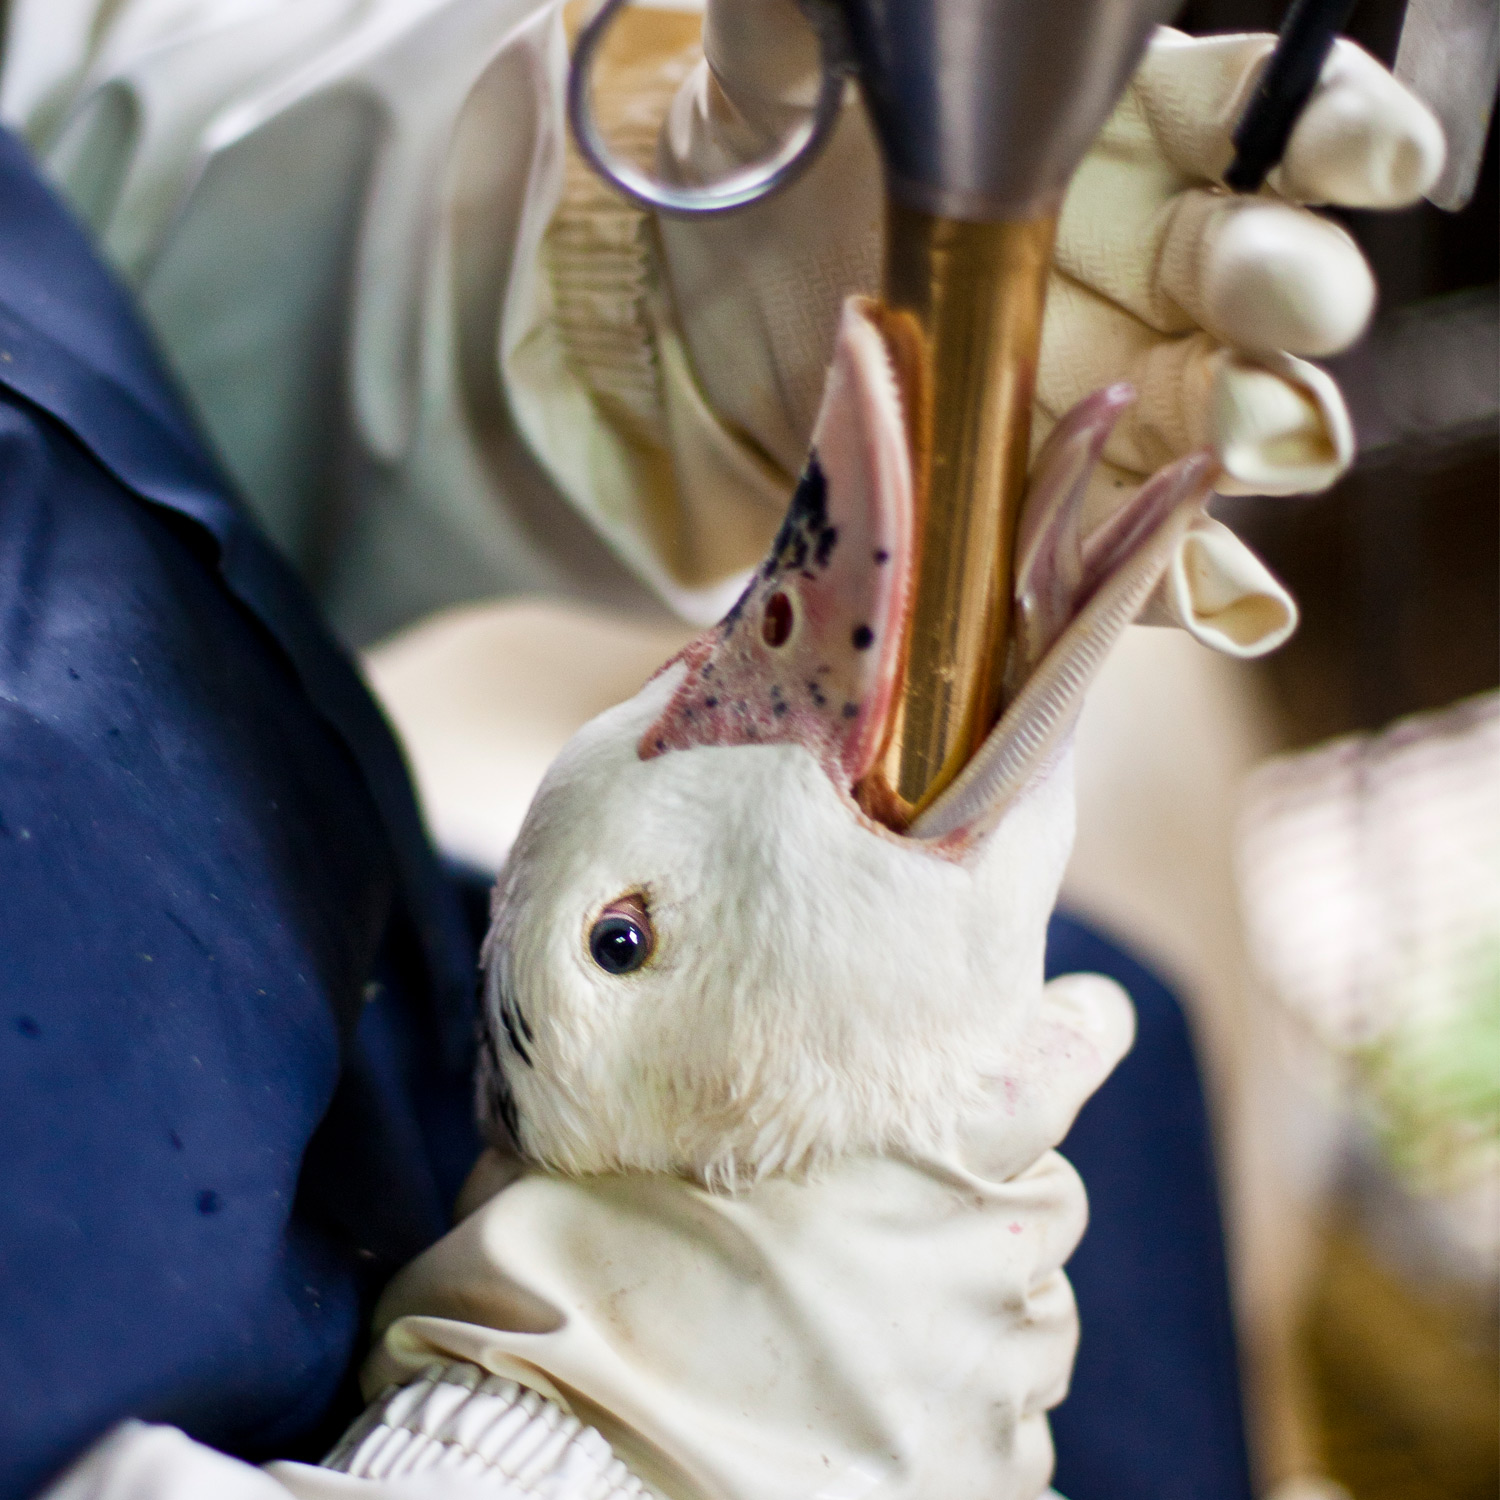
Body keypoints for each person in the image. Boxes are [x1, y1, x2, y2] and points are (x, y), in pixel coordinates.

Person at [0, 2, 1443, 1494]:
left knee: (1134, 1002)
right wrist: (596, 1451)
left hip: (347, 1037)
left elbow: (67, 193)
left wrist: (631, 295)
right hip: (255, 1328)